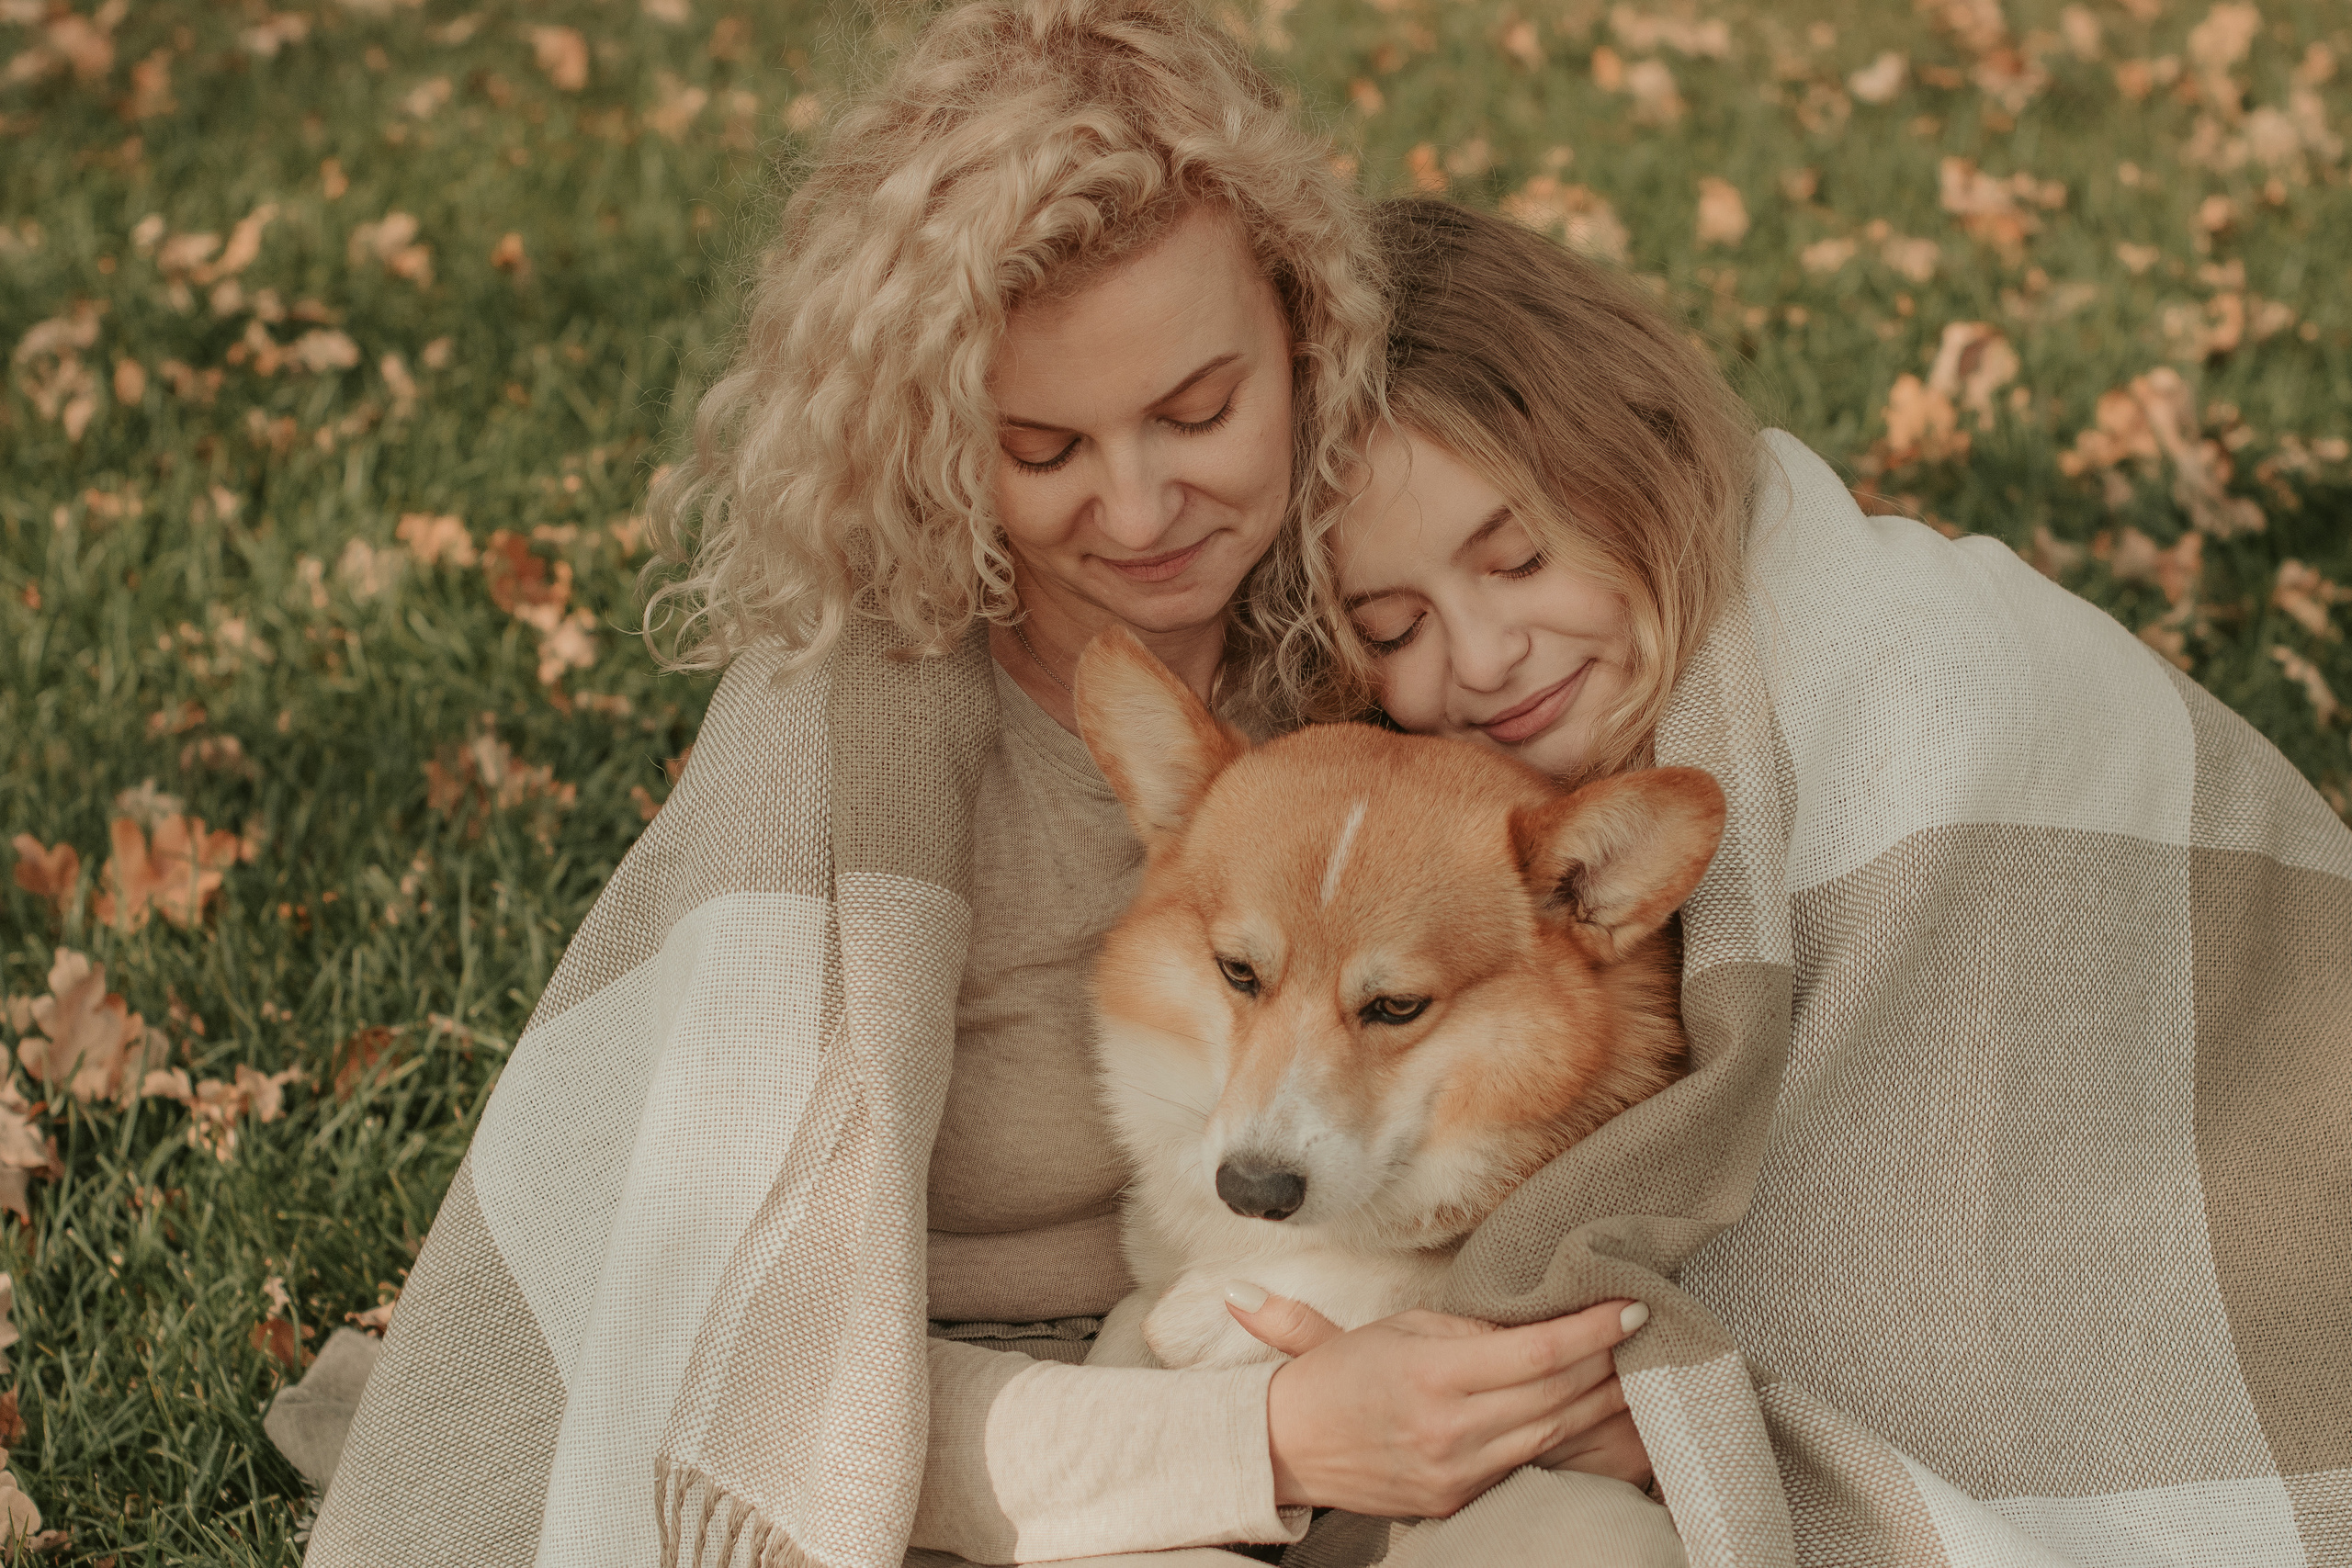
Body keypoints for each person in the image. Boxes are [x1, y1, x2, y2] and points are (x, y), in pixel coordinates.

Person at [304, 14, 1681, 1568]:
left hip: (1342, 1359)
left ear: (1308, 340)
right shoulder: (850, 740)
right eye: (1044, 446)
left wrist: (1599, 1392)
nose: (1144, 507)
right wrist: (1265, 1441)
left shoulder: (1379, 632)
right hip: (951, 1435)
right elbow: (739, 1369)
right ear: (939, 438)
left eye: (1200, 409)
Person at [1258, 197, 2352, 1565]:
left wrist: (1689, 1407)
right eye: (1394, 626)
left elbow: (1964, 1203)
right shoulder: (1496, 807)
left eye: (1519, 558)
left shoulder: (1920, 680)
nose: (1480, 658)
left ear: (1628, 459)